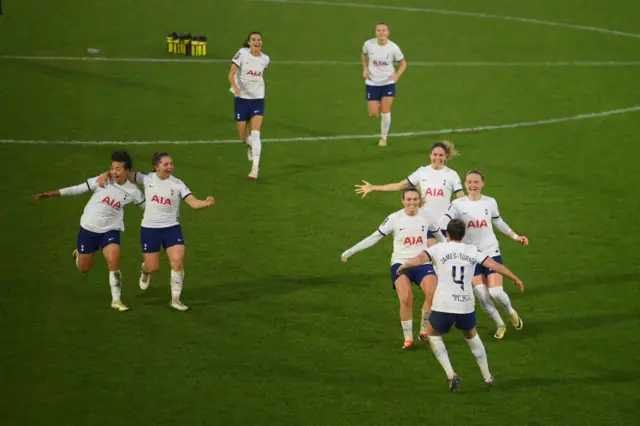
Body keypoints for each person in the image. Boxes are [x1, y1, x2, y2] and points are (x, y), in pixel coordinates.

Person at [397, 219, 524, 391]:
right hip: (465, 305)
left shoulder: (438, 248)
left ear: (447, 234)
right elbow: (494, 265)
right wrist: (514, 278)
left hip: (444, 305)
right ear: (463, 235)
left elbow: (420, 258)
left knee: (432, 335)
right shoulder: (472, 251)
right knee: (472, 337)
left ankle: (451, 374)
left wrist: (404, 266)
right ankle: (487, 377)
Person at [98, 152, 215, 311]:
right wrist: (106, 173)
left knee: (177, 262)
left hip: (172, 228)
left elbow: (192, 202)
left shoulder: (178, 184)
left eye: (171, 164)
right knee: (152, 267)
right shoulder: (147, 178)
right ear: (156, 166)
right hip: (150, 229)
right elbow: (123, 173)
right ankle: (145, 270)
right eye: (166, 164)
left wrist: (204, 203)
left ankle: (175, 300)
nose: (170, 167)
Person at [33, 151, 145, 312]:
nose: (114, 172)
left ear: (127, 171)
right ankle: (79, 254)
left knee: (114, 262)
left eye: (118, 169)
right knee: (84, 268)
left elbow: (146, 207)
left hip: (111, 230)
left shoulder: (133, 191)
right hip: (89, 229)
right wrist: (51, 194)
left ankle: (116, 300)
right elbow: (77, 189)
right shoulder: (101, 180)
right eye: (112, 168)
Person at [341, 188, 445, 349]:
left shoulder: (426, 216)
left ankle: (424, 331)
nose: (412, 203)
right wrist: (351, 251)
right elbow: (374, 237)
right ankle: (408, 339)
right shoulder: (394, 219)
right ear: (403, 201)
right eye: (409, 199)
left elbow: (440, 236)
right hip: (400, 264)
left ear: (419, 200)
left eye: (415, 199)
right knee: (405, 299)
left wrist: (451, 253)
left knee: (433, 294)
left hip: (422, 262)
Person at [439, 170, 529, 339]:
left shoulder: (490, 202)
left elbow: (498, 221)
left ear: (482, 183)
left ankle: (510, 311)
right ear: (465, 184)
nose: (472, 185)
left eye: (476, 182)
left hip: (490, 251)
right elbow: (444, 221)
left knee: (496, 292)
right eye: (469, 182)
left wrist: (516, 236)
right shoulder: (458, 204)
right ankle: (500, 324)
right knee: (482, 295)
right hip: (470, 256)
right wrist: (446, 238)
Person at [355, 141, 464, 246]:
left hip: (444, 224)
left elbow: (461, 199)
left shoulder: (452, 175)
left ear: (445, 156)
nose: (438, 158)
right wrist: (373, 187)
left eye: (441, 155)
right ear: (430, 155)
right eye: (435, 154)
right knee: (431, 252)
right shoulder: (422, 172)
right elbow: (399, 186)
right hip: (425, 223)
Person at [229, 31, 270, 179]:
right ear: (248, 42)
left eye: (259, 40)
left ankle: (255, 168)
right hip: (241, 99)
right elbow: (231, 74)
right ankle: (250, 145)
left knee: (256, 133)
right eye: (253, 40)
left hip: (258, 99)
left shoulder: (265, 59)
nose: (257, 42)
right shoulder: (242, 54)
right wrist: (236, 87)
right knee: (242, 134)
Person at [361, 22, 407, 147]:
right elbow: (364, 54)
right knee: (373, 113)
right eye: (378, 30)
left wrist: (397, 76)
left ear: (388, 32)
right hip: (372, 82)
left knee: (386, 110)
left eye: (384, 30)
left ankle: (383, 137)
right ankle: (380, 103)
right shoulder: (368, 44)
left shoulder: (393, 48)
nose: (381, 33)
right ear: (375, 32)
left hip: (388, 83)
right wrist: (365, 68)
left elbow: (403, 63)